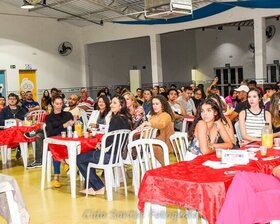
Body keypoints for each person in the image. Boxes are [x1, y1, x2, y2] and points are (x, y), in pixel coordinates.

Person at [77, 95, 132, 196]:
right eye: (111, 102)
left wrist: (100, 145)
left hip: (109, 156)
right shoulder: (126, 119)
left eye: (115, 103)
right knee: (87, 157)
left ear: (121, 106)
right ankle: (92, 187)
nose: (111, 105)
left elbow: (109, 139)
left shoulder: (116, 119)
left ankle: (98, 186)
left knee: (80, 158)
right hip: (118, 155)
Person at [27, 96, 75, 186]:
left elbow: (72, 129)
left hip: (67, 140)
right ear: (53, 103)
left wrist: (70, 124)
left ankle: (57, 175)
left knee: (55, 146)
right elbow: (51, 132)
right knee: (54, 145)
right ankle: (62, 165)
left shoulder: (68, 114)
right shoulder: (49, 117)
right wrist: (64, 125)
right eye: (57, 104)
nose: (59, 106)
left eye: (61, 104)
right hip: (55, 140)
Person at [138, 94, 175, 166]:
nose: (154, 106)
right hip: (154, 140)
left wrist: (146, 123)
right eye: (153, 104)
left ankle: (166, 166)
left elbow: (162, 125)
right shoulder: (153, 116)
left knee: (152, 146)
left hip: (163, 143)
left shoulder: (166, 115)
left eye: (157, 104)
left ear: (162, 105)